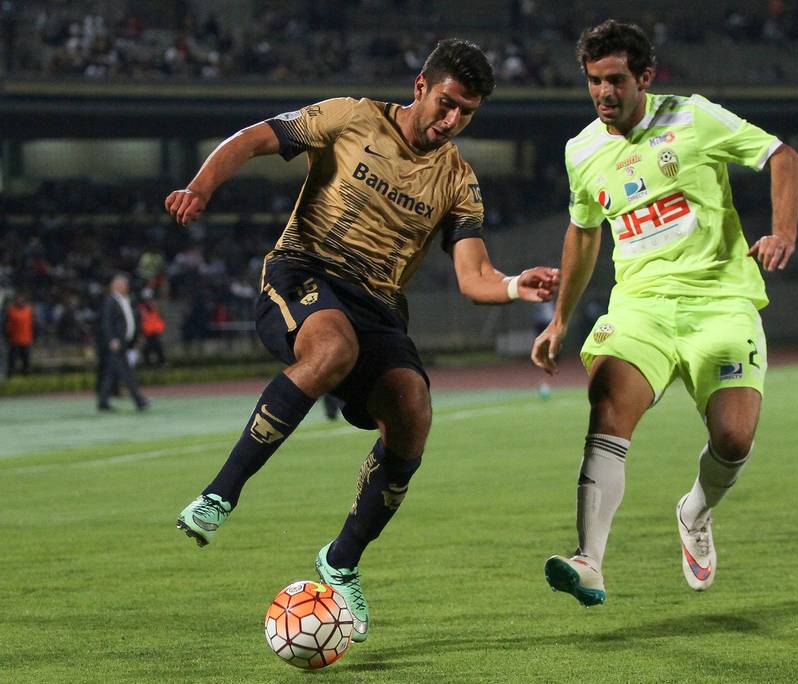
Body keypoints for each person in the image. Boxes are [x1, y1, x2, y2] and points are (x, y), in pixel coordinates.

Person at [165, 39, 559, 643]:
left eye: (467, 112)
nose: (452, 119)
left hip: (379, 309)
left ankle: (341, 560)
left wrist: (512, 285)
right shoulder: (351, 117)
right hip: (305, 273)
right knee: (333, 347)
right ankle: (220, 495)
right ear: (421, 86)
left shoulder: (458, 180)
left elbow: (473, 276)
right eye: (447, 102)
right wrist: (201, 186)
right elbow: (252, 139)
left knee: (413, 411)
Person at [531, 20, 798, 605]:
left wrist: (782, 231)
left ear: (646, 77)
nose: (604, 92)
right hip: (641, 308)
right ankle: (589, 561)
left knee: (733, 438)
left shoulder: (693, 116)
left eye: (615, 80)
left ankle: (695, 510)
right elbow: (584, 233)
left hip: (721, 303)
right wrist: (560, 319)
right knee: (607, 402)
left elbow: (783, 157)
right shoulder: (582, 151)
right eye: (594, 81)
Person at [97, 273, 150, 411]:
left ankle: (103, 401)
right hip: (116, 344)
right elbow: (106, 323)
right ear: (115, 286)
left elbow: (131, 321)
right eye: (122, 284)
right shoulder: (110, 301)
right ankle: (139, 400)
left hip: (125, 342)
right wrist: (112, 340)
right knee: (126, 373)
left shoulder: (127, 300)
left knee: (110, 373)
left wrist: (135, 338)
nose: (125, 287)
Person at [3, 293, 34, 377]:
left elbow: (33, 324)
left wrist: (34, 337)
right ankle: (10, 376)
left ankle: (26, 376)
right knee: (12, 361)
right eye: (18, 299)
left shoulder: (28, 310)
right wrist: (7, 336)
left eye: (21, 299)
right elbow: (6, 325)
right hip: (14, 341)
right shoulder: (11, 311)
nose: (19, 301)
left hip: (26, 340)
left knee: (26, 361)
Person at [137, 289, 167, 366]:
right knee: (147, 348)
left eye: (150, 299)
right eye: (147, 299)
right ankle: (149, 363)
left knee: (157, 347)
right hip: (146, 332)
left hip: (155, 331)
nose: (148, 301)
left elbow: (160, 318)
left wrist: (160, 328)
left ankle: (161, 362)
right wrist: (141, 331)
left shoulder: (155, 307)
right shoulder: (141, 309)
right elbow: (140, 320)